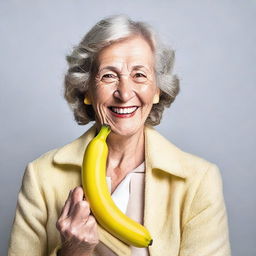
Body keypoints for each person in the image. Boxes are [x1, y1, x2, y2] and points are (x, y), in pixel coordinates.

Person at [8, 15, 231, 256]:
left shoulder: (199, 181)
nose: (124, 93)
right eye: (109, 75)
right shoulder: (41, 177)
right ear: (87, 90)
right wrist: (73, 251)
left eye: (139, 75)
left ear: (156, 90)